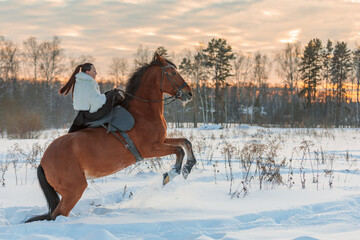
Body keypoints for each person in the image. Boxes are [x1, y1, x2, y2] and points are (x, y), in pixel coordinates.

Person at [59, 63, 123, 133]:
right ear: (87, 72)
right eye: (94, 71)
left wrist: (107, 95)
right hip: (91, 113)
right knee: (114, 95)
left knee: (111, 94)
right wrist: (110, 95)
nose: (96, 73)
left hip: (87, 113)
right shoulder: (88, 83)